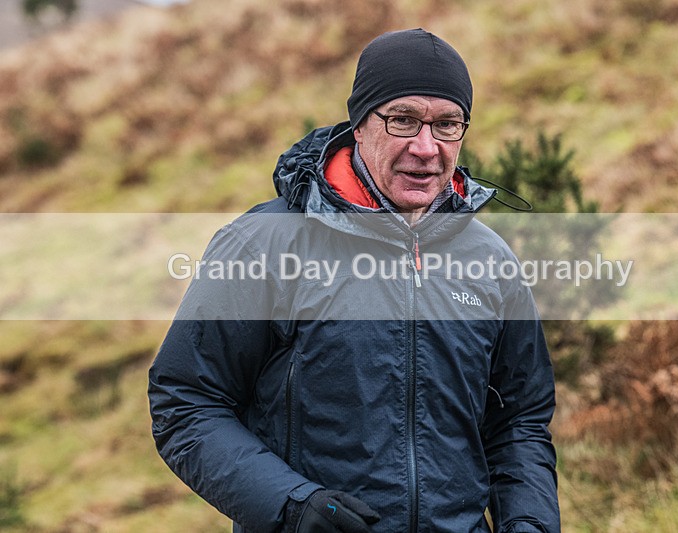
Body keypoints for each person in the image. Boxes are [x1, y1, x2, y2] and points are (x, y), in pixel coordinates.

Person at [149, 28, 559, 533]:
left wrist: (530, 524)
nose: (426, 147)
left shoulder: (491, 261)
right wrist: (292, 506)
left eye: (447, 124)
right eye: (403, 120)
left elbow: (519, 423)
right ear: (359, 126)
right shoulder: (265, 245)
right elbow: (186, 403)